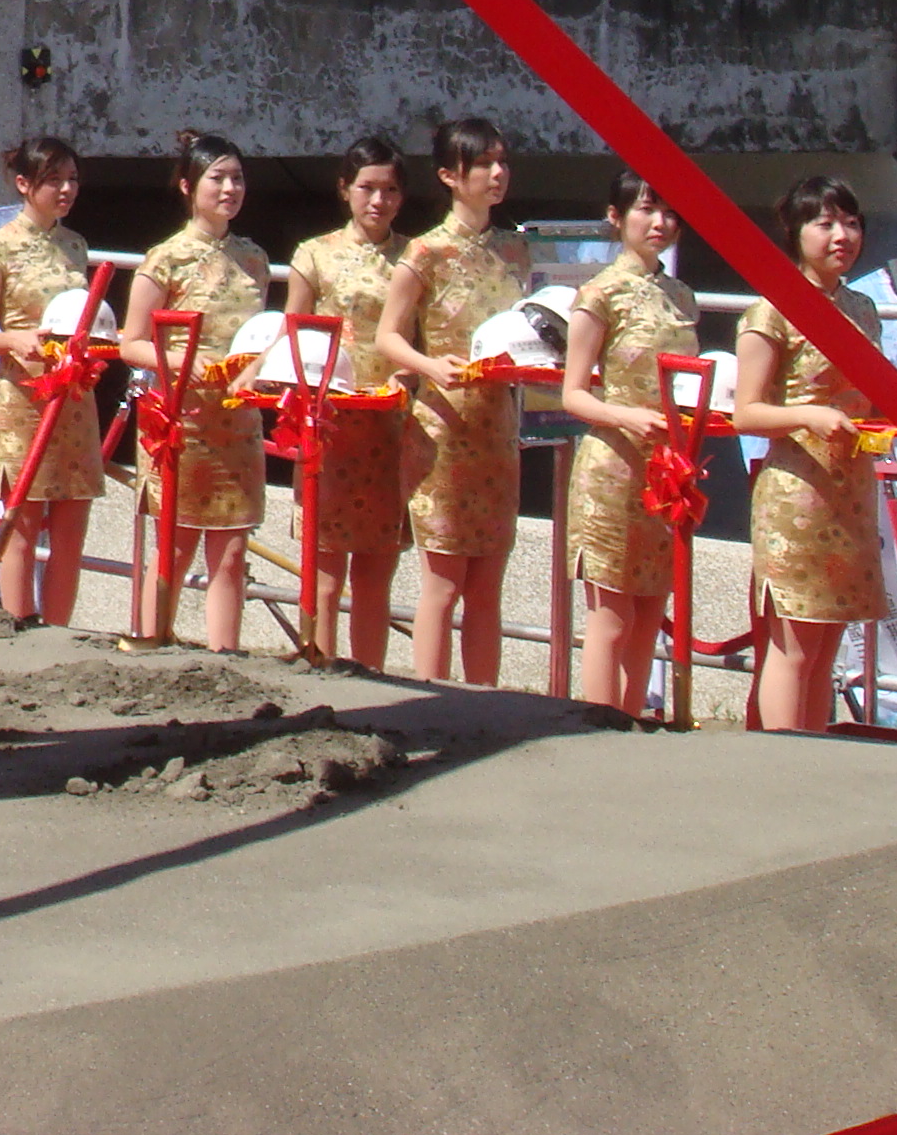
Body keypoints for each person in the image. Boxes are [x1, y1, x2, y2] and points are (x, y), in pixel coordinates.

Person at [374, 116, 528, 685]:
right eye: (483, 164)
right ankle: (431, 699)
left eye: (502, 162)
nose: (497, 174)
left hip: (498, 429)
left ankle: (484, 699)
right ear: (449, 175)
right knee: (443, 581)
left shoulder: (514, 248)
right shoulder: (426, 251)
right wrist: (429, 365)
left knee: (488, 582)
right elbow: (388, 335)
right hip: (441, 430)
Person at [732, 176, 888, 735]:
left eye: (850, 222)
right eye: (824, 223)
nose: (840, 235)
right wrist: (810, 416)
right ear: (795, 233)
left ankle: (814, 758)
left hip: (851, 491)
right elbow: (745, 413)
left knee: (827, 647)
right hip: (797, 493)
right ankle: (780, 763)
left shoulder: (865, 308)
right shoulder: (770, 312)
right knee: (794, 643)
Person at [120, 131, 271, 652]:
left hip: (238, 422)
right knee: (174, 547)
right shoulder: (166, 259)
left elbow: (259, 335)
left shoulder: (254, 258)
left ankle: (222, 657)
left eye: (237, 179)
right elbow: (131, 343)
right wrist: (188, 361)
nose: (229, 189)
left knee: (231, 553)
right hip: (181, 422)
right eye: (217, 178)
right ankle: (149, 641)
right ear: (188, 186)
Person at [558, 170, 700, 716]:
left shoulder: (682, 295)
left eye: (668, 212)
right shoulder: (599, 293)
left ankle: (634, 719)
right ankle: (598, 724)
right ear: (616, 218)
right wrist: (628, 417)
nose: (659, 222)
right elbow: (574, 394)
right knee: (611, 615)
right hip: (613, 465)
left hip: (666, 468)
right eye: (645, 209)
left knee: (648, 611)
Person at [284, 135, 413, 670]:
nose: (377, 201)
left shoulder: (414, 257)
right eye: (366, 188)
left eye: (388, 190)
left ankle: (372, 679)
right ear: (345, 190)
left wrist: (405, 380)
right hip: (329, 424)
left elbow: (420, 337)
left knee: (377, 571)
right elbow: (294, 335)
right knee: (325, 567)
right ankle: (320, 669)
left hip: (390, 427)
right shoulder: (313, 254)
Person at [0, 136, 98, 626]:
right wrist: (17, 341)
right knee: (22, 522)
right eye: (53, 180)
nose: (65, 190)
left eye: (72, 180)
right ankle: (20, 623)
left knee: (70, 526)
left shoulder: (75, 245)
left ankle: (61, 629)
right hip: (22, 399)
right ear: (24, 184)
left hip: (74, 397)